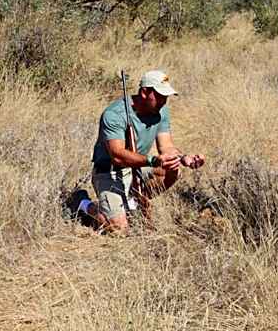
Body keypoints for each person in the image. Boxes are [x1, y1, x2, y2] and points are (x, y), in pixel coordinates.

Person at [76, 70, 205, 234]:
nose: (163, 101)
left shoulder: (161, 110)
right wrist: (153, 161)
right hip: (110, 173)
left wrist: (182, 158)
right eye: (159, 96)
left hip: (137, 167)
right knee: (118, 229)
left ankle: (132, 200)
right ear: (144, 92)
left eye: (165, 97)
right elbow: (117, 156)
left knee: (173, 169)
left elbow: (166, 147)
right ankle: (83, 203)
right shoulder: (114, 114)